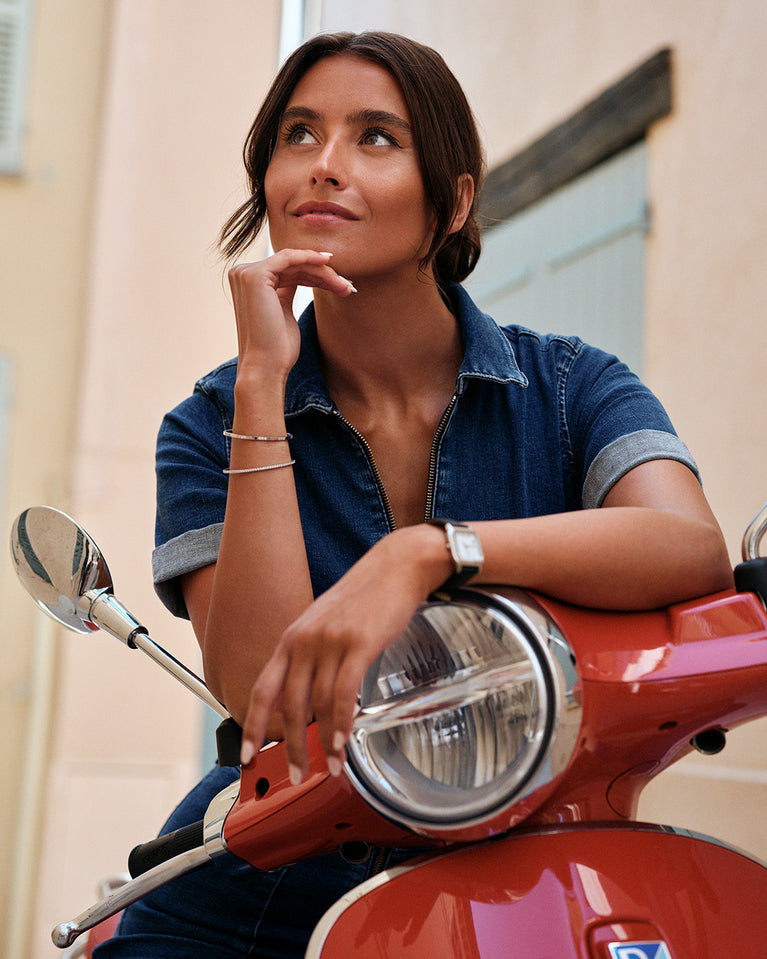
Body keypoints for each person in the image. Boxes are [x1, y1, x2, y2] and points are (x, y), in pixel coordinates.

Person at [96, 30, 733, 958]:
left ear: (452, 201)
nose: (325, 166)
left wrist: (428, 551)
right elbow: (258, 686)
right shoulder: (209, 423)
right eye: (298, 135)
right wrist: (262, 388)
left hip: (531, 851)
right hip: (271, 875)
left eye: (376, 138)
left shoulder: (569, 387)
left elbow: (689, 547)